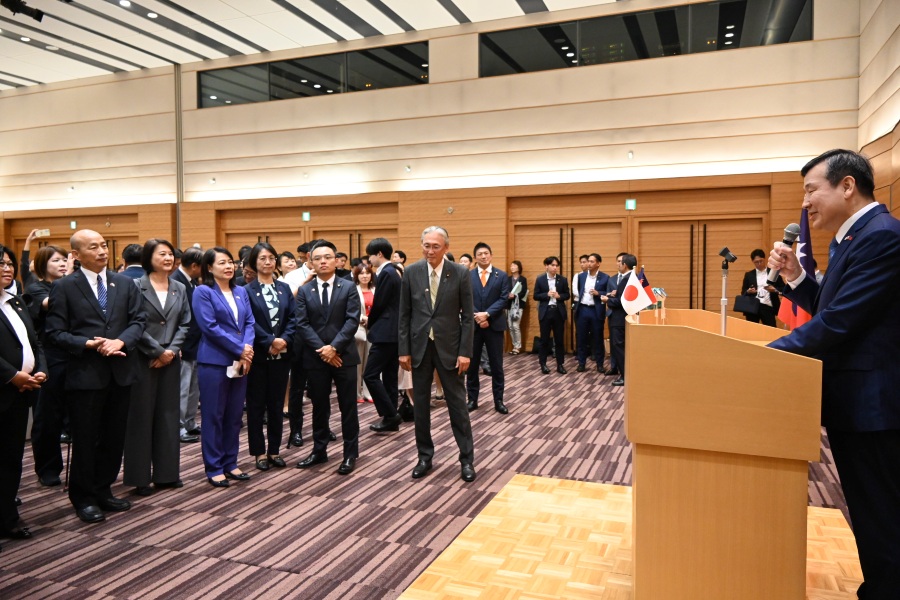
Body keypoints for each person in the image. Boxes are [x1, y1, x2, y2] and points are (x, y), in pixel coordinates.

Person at [766, 149, 900, 599]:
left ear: (847, 186)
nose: (805, 202)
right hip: (856, 402)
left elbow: (840, 322)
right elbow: (834, 307)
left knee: (881, 513)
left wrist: (763, 356)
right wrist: (798, 279)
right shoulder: (853, 237)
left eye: (811, 190)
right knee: (870, 510)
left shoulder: (882, 237)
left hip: (874, 405)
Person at [45, 230, 147, 523]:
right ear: (76, 255)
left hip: (121, 372)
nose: (102, 251)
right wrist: (87, 343)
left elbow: (138, 320)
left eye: (104, 245)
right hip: (86, 374)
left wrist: (121, 341)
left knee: (114, 437)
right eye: (94, 247)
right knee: (86, 439)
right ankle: (83, 497)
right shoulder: (65, 287)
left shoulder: (124, 283)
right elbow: (54, 333)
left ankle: (104, 490)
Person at [398, 226, 476, 482]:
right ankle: (424, 457)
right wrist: (403, 350)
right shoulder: (411, 272)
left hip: (450, 349)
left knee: (458, 406)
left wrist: (465, 352)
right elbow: (404, 315)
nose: (430, 251)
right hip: (419, 348)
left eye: (435, 246)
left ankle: (466, 460)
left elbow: (468, 317)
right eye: (426, 245)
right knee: (420, 406)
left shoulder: (460, 273)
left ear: (446, 248)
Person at [123, 239, 191, 496]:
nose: (168, 258)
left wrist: (170, 351)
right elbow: (133, 323)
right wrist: (157, 351)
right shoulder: (134, 285)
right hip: (143, 358)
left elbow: (185, 323)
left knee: (168, 416)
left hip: (171, 359)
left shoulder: (179, 287)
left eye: (170, 254)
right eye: (162, 254)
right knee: (141, 419)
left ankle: (167, 474)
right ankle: (139, 477)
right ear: (148, 258)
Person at [294, 240, 361, 475]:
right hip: (316, 358)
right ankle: (319, 450)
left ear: (336, 261)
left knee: (348, 407)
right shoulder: (305, 290)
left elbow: (352, 320)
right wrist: (323, 350)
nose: (323, 261)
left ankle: (350, 453)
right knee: (319, 406)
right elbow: (302, 324)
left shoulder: (348, 286)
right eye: (318, 258)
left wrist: (334, 348)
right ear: (311, 262)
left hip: (344, 356)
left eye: (328, 257)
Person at [192, 247, 255, 488]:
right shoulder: (203, 292)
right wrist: (240, 349)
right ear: (209, 267)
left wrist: (246, 349)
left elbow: (249, 322)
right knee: (214, 416)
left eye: (231, 262)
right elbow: (210, 327)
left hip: (241, 360)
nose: (229, 266)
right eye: (222, 263)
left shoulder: (240, 291)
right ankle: (214, 466)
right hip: (215, 361)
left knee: (234, 415)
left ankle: (230, 462)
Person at [0, 244, 47, 544]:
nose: (7, 268)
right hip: (6, 387)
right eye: (0, 264)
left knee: (11, 459)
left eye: (9, 263)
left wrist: (39, 369)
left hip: (20, 393)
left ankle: (7, 517)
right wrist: (12, 375)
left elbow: (34, 342)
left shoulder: (15, 301)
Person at [243, 243, 297, 471]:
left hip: (282, 355)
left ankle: (274, 450)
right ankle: (258, 452)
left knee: (276, 404)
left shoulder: (284, 288)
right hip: (258, 354)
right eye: (263, 258)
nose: (268, 262)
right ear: (254, 262)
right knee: (256, 405)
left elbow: (293, 318)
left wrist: (283, 340)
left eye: (272, 258)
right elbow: (248, 321)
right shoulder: (246, 290)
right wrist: (269, 341)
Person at [24, 245, 70, 487]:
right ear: (43, 264)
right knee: (48, 418)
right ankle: (48, 468)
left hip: (73, 355)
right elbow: (50, 304)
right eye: (56, 260)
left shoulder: (70, 286)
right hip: (48, 358)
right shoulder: (36, 288)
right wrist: (73, 280)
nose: (62, 264)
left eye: (64, 259)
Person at [364, 237, 403, 433]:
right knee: (389, 377)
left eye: (370, 255)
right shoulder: (393, 271)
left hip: (385, 332)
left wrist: (370, 322)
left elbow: (379, 303)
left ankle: (391, 414)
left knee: (370, 375)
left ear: (379, 254)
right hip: (393, 332)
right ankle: (390, 418)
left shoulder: (387, 272)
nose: (369, 260)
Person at [466, 242, 510, 414]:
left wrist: (487, 314)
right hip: (474, 326)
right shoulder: (468, 276)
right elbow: (465, 298)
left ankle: (499, 400)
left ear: (491, 255)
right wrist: (478, 316)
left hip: (494, 325)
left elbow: (503, 299)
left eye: (486, 253)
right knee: (472, 365)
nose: (483, 256)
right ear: (475, 258)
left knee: (497, 365)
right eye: (480, 254)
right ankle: (472, 399)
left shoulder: (501, 275)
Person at [171, 247, 203, 443]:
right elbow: (176, 317)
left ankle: (190, 422)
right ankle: (180, 426)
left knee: (193, 388)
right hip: (183, 345)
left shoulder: (191, 281)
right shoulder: (176, 281)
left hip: (196, 344)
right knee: (182, 389)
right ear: (194, 266)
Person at [603, 253, 636, 387]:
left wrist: (607, 299)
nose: (618, 265)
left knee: (619, 347)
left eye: (620, 262)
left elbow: (620, 302)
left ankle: (624, 376)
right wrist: (616, 294)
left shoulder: (625, 280)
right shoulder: (633, 277)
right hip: (627, 317)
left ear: (625, 265)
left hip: (618, 319)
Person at [533, 256, 569, 375]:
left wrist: (559, 296)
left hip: (558, 312)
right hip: (546, 312)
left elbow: (567, 295)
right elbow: (535, 296)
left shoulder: (562, 279)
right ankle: (543, 364)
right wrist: (547, 295)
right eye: (552, 265)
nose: (555, 267)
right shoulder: (540, 279)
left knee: (559, 340)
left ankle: (560, 364)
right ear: (546, 266)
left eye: (556, 265)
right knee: (544, 340)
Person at [574, 253, 609, 372]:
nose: (589, 263)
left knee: (598, 338)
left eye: (592, 261)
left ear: (598, 263)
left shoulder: (605, 277)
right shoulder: (581, 276)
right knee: (581, 338)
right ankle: (581, 363)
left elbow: (608, 293)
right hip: (583, 309)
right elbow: (579, 291)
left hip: (596, 310)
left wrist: (598, 293)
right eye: (588, 261)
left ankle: (600, 364)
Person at [740, 249, 782, 327]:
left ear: (764, 259)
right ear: (752, 261)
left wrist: (774, 290)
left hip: (768, 306)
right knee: (751, 330)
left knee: (771, 330)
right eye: (756, 262)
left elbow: (783, 288)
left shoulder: (773, 273)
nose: (759, 264)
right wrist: (749, 291)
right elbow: (743, 291)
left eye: (761, 261)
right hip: (752, 306)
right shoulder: (749, 275)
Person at [353, 263, 375, 403]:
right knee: (358, 362)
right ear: (357, 276)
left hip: (373, 328)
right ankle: (357, 393)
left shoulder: (375, 290)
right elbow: (349, 309)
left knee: (370, 361)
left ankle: (368, 392)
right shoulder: (353, 290)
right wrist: (362, 318)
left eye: (367, 273)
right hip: (358, 328)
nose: (365, 276)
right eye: (361, 273)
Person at [506, 261, 527, 355]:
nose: (512, 267)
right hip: (508, 305)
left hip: (518, 305)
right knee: (510, 326)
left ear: (519, 268)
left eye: (514, 266)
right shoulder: (507, 279)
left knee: (515, 325)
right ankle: (514, 346)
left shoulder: (523, 279)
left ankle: (518, 346)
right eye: (511, 266)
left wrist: (514, 295)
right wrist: (508, 295)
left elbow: (524, 292)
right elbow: (504, 290)